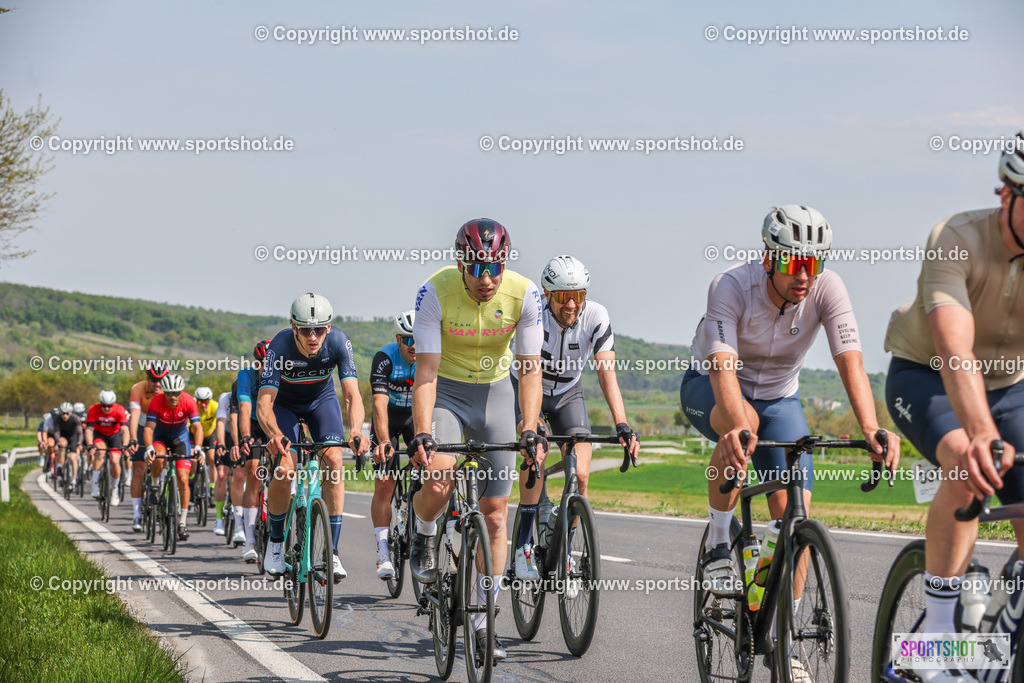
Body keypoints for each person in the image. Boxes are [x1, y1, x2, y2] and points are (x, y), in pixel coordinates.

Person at [680, 205, 898, 600]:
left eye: (812, 264)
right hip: (712, 387)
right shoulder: (729, 285)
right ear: (768, 258)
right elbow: (722, 368)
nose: (803, 276)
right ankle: (716, 542)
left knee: (794, 516)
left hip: (781, 399)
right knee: (743, 420)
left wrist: (870, 427)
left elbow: (851, 362)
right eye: (794, 263)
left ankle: (784, 635)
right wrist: (737, 426)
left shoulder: (827, 288)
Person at [883, 132, 1024, 683]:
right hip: (928, 375)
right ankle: (937, 641)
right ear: (1007, 193)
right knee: (969, 465)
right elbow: (953, 348)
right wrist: (983, 435)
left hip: (1012, 384)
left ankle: (998, 637)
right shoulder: (957, 237)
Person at [408, 218, 546, 663]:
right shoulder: (435, 291)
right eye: (477, 269)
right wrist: (424, 432)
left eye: (495, 269)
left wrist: (528, 427)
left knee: (496, 515)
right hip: (446, 389)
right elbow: (425, 370)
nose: (487, 280)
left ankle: (485, 621)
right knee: (439, 480)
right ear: (460, 263)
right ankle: (426, 530)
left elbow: (529, 369)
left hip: (495, 391)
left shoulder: (525, 294)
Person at [510, 255, 639, 579]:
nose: (571, 305)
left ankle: (561, 538)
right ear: (547, 294)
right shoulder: (533, 313)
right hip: (529, 386)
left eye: (578, 296)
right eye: (564, 297)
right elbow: (530, 372)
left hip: (569, 392)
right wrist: (531, 423)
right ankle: (524, 543)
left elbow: (606, 372)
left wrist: (621, 424)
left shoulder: (595, 316)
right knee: (535, 451)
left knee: (581, 474)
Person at [258, 294, 368, 583]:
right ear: (294, 327)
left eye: (320, 329)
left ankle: (331, 552)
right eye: (306, 330)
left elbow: (352, 395)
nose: (313, 336)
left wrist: (355, 430)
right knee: (284, 468)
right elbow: (264, 404)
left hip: (321, 401)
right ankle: (276, 543)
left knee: (333, 459)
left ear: (329, 328)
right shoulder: (279, 346)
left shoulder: (339, 342)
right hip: (285, 406)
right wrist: (275, 435)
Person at [368, 310, 417, 580]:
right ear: (399, 339)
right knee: (386, 482)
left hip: (413, 418)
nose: (414, 347)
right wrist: (385, 441)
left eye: (419, 340)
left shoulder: (430, 357)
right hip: (388, 419)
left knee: (431, 469)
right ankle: (383, 551)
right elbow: (378, 404)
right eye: (408, 340)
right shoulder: (385, 358)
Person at [144, 374, 203, 542]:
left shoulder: (189, 401)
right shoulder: (156, 402)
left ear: (181, 391)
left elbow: (197, 427)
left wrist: (198, 448)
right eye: (169, 393)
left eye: (176, 393)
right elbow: (149, 427)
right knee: (158, 457)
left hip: (180, 438)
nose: (173, 397)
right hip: (160, 436)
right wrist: (149, 448)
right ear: (164, 392)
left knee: (183, 478)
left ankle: (182, 523)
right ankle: (155, 486)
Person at [232, 340, 271, 562]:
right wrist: (245, 436)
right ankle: (249, 541)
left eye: (270, 363)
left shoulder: (283, 372)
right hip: (255, 424)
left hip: (275, 421)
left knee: (285, 470)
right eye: (262, 363)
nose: (266, 367)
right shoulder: (247, 375)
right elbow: (245, 407)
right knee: (254, 472)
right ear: (256, 362)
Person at [126, 362, 168, 531]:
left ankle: (162, 496)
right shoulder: (138, 389)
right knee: (138, 469)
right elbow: (134, 415)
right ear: (147, 378)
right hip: (144, 427)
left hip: (164, 427)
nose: (157, 384)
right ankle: (137, 516)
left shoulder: (169, 389)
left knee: (164, 462)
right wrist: (133, 438)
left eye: (161, 380)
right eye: (153, 380)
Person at [84, 390, 129, 506]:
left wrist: (125, 444)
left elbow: (125, 430)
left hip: (114, 435)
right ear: (100, 403)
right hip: (100, 435)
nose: (107, 409)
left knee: (115, 460)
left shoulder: (119, 410)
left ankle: (115, 490)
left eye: (109, 406)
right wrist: (90, 445)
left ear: (113, 404)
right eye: (104, 406)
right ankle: (95, 485)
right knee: (100, 453)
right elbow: (89, 430)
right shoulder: (93, 409)